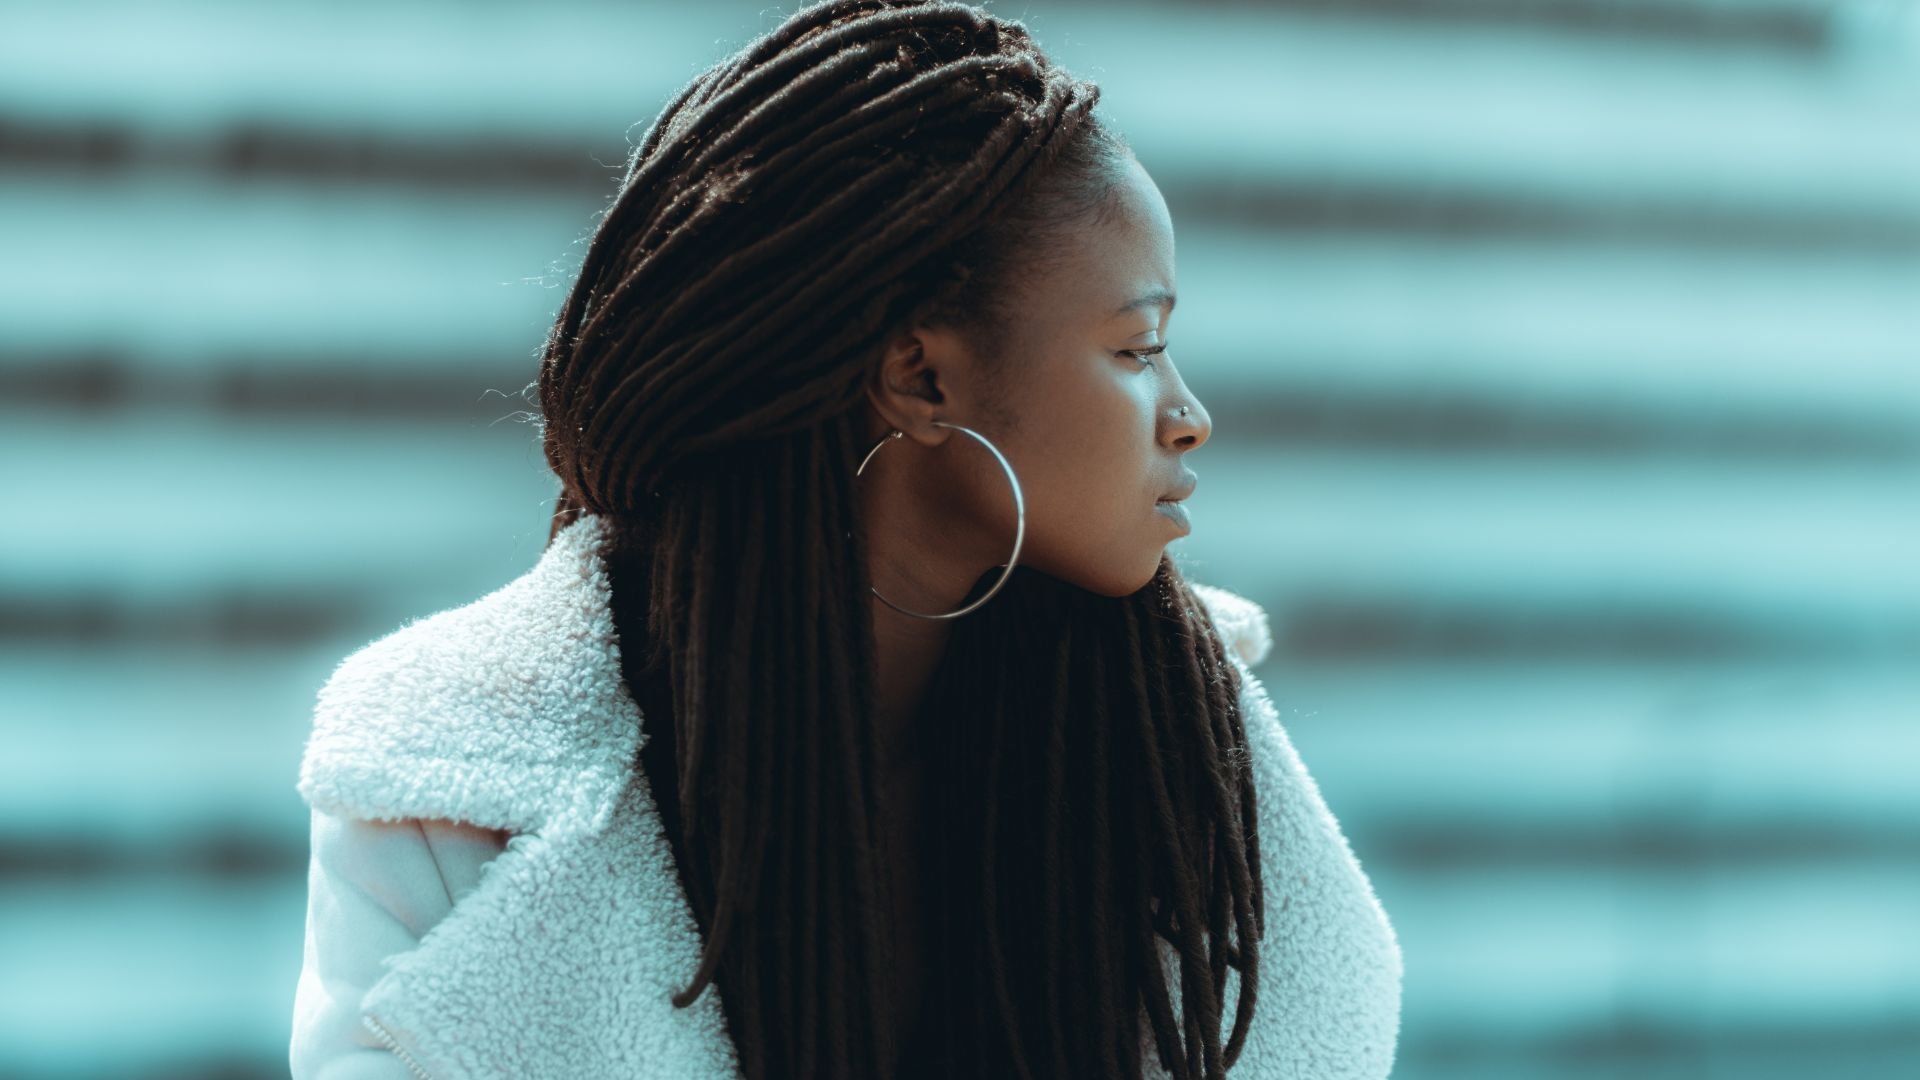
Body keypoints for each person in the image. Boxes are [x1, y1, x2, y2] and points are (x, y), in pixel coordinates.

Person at [288, 1, 1403, 1077]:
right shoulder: (450, 781)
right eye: (1136, 349)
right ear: (921, 377)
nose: (1188, 413)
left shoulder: (1175, 744)